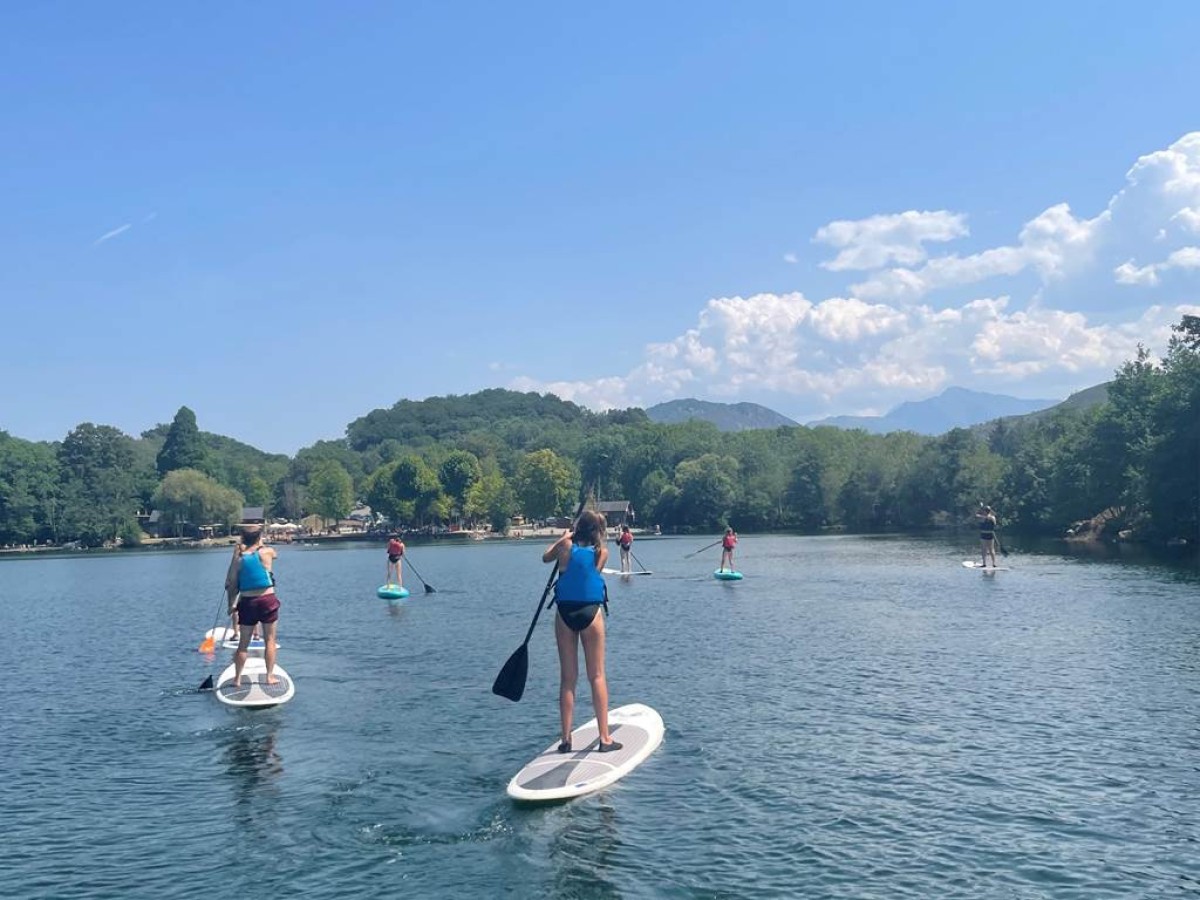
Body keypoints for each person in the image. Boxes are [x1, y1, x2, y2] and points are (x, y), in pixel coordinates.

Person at [542, 510, 622, 753]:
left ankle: (565, 740)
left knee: (568, 678)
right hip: (591, 613)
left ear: (577, 528)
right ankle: (605, 739)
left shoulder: (565, 547)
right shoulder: (602, 553)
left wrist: (562, 537)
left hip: (565, 614)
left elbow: (546, 557)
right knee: (596, 675)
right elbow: (590, 574)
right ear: (597, 531)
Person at [225, 525, 280, 686]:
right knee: (270, 640)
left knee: (243, 643)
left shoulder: (239, 559)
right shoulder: (267, 552)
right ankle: (269, 677)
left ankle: (237, 679)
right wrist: (259, 543)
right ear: (259, 537)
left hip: (248, 602)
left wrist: (231, 605)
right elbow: (274, 555)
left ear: (242, 539)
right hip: (267, 600)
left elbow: (233, 583)